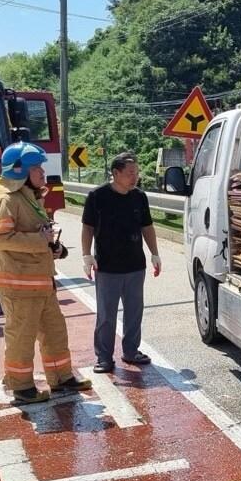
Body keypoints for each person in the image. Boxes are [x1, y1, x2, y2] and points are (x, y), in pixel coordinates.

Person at [0, 142, 92, 404]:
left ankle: (61, 377)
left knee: (55, 332)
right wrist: (39, 240)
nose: (42, 173)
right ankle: (21, 387)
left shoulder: (29, 198)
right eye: (37, 168)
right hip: (19, 285)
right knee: (21, 337)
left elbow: (41, 235)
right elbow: (1, 239)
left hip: (41, 282)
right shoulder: (6, 200)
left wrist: (54, 248)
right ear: (19, 171)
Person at [81, 152, 161, 374]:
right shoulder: (97, 196)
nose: (134, 177)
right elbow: (87, 227)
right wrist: (86, 255)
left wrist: (154, 253)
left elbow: (147, 227)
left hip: (135, 264)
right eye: (129, 173)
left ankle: (131, 350)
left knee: (135, 311)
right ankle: (104, 357)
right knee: (106, 315)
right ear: (115, 173)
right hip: (107, 266)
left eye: (136, 173)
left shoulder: (139, 197)